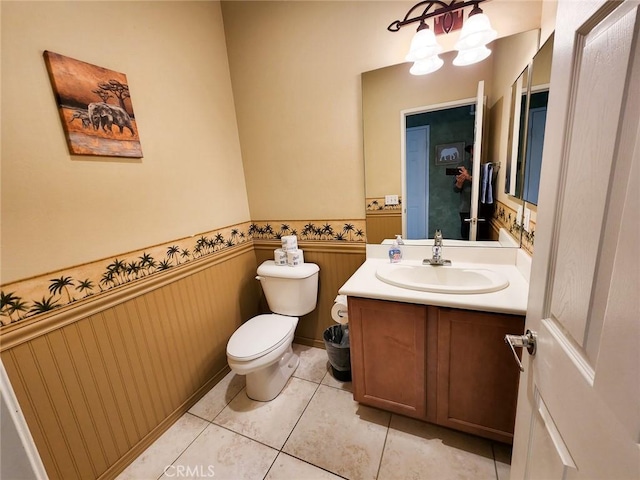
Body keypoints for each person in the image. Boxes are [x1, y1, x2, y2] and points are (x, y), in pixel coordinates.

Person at [453, 145, 473, 240]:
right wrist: (459, 182)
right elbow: (455, 189)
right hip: (465, 207)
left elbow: (484, 185)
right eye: (472, 149)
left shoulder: (482, 167)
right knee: (464, 234)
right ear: (470, 151)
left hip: (480, 208)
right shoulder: (462, 166)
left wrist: (468, 176)